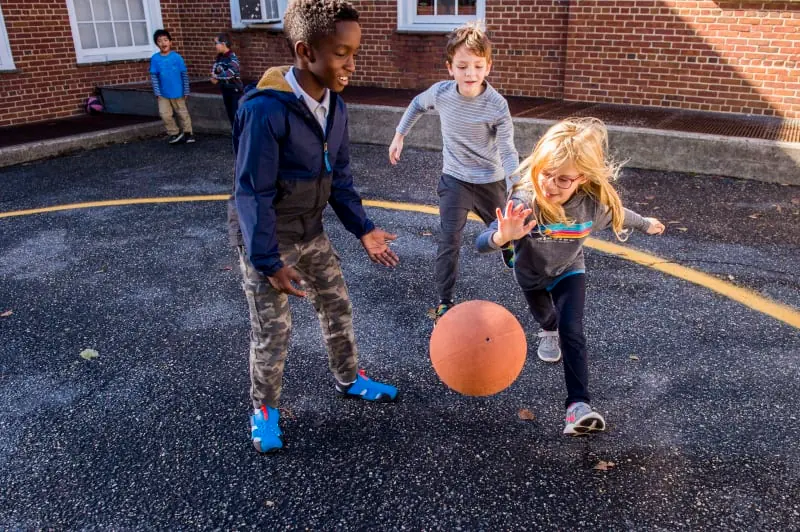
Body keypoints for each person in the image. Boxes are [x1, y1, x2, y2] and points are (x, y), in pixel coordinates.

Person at [231, 0, 400, 454]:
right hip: (268, 238)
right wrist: (267, 261)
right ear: (305, 52)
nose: (351, 64)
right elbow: (253, 193)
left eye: (355, 53)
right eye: (342, 53)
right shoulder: (265, 111)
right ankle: (264, 409)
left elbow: (338, 177)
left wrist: (362, 227)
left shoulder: (335, 105)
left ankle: (349, 379)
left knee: (338, 306)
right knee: (274, 329)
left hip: (311, 232)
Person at [476, 117, 666, 436]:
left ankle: (578, 406)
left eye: (563, 180)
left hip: (568, 270)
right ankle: (547, 329)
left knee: (572, 330)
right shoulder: (525, 200)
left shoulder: (592, 205)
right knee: (547, 318)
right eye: (546, 174)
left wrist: (646, 223)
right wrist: (501, 237)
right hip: (530, 274)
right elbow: (482, 243)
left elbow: (620, 214)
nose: (550, 185)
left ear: (582, 178)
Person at [388, 22, 518, 323]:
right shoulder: (442, 93)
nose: (470, 73)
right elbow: (416, 104)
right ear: (450, 68)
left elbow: (508, 148)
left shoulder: (497, 105)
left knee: (502, 232)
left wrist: (515, 183)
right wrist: (399, 135)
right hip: (455, 180)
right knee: (449, 241)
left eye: (477, 66)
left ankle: (508, 245)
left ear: (488, 67)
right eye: (462, 66)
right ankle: (445, 301)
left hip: (491, 181)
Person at [150, 29, 194, 144]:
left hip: (178, 92)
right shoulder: (155, 59)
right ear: (156, 44)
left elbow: (184, 75)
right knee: (165, 114)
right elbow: (154, 76)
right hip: (163, 93)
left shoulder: (177, 57)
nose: (163, 43)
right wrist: (157, 92)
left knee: (182, 113)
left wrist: (186, 90)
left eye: (165, 40)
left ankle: (188, 133)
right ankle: (174, 133)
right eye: (159, 41)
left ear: (170, 42)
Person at [210, 33, 243, 127]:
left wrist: (217, 77)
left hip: (235, 90)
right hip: (225, 90)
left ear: (223, 44)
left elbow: (230, 73)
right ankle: (235, 135)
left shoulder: (232, 58)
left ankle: (241, 136)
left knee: (236, 113)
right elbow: (214, 69)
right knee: (230, 114)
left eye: (216, 43)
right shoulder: (219, 58)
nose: (215, 46)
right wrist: (214, 76)